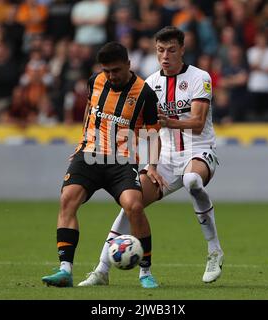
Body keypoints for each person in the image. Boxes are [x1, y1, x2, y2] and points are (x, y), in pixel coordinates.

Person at [78, 26, 223, 288]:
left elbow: (199, 122)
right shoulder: (151, 84)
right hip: (165, 157)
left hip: (198, 150)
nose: (165, 55)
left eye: (171, 50)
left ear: (182, 49)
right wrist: (151, 165)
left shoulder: (200, 77)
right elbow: (149, 131)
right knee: (131, 204)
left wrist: (167, 121)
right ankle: (101, 269)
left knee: (192, 180)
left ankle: (214, 251)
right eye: (160, 50)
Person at [41, 42, 163, 288]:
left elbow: (153, 134)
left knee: (134, 206)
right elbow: (90, 109)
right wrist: (82, 141)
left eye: (116, 70)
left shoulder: (145, 93)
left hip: (121, 160)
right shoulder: (94, 81)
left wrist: (152, 166)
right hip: (89, 155)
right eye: (106, 70)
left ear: (129, 65)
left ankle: (146, 272)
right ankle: (65, 269)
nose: (111, 76)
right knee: (68, 199)